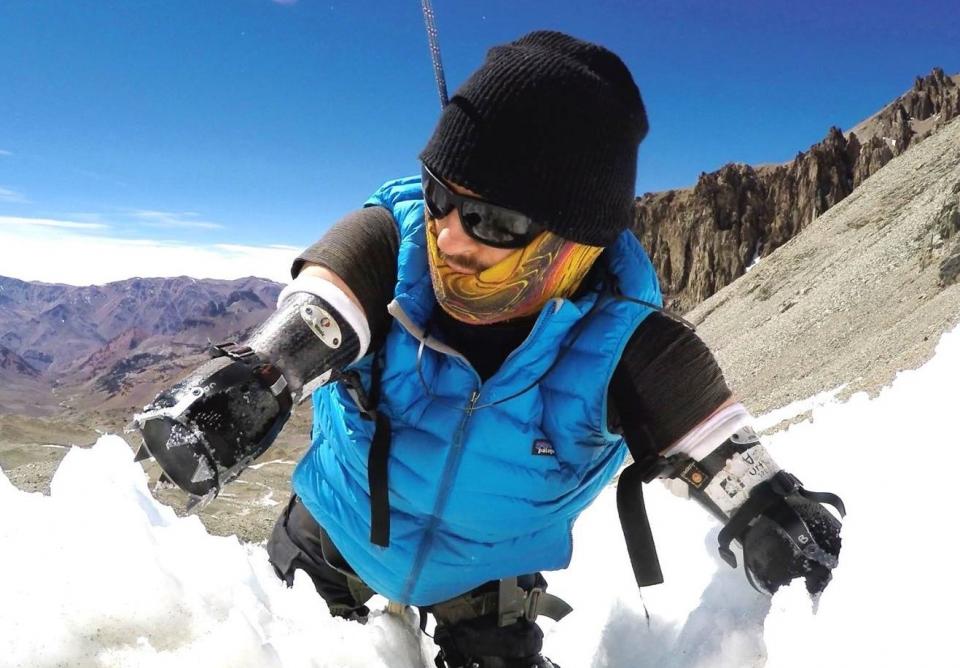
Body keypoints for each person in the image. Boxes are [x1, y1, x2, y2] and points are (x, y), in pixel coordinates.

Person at [133, 31, 843, 668]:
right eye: (441, 194)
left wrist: (782, 530)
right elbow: (331, 293)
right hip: (331, 534)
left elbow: (734, 466)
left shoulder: (633, 350)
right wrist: (255, 377)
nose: (448, 235)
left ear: (576, 241)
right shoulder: (397, 247)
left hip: (486, 581)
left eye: (491, 218)